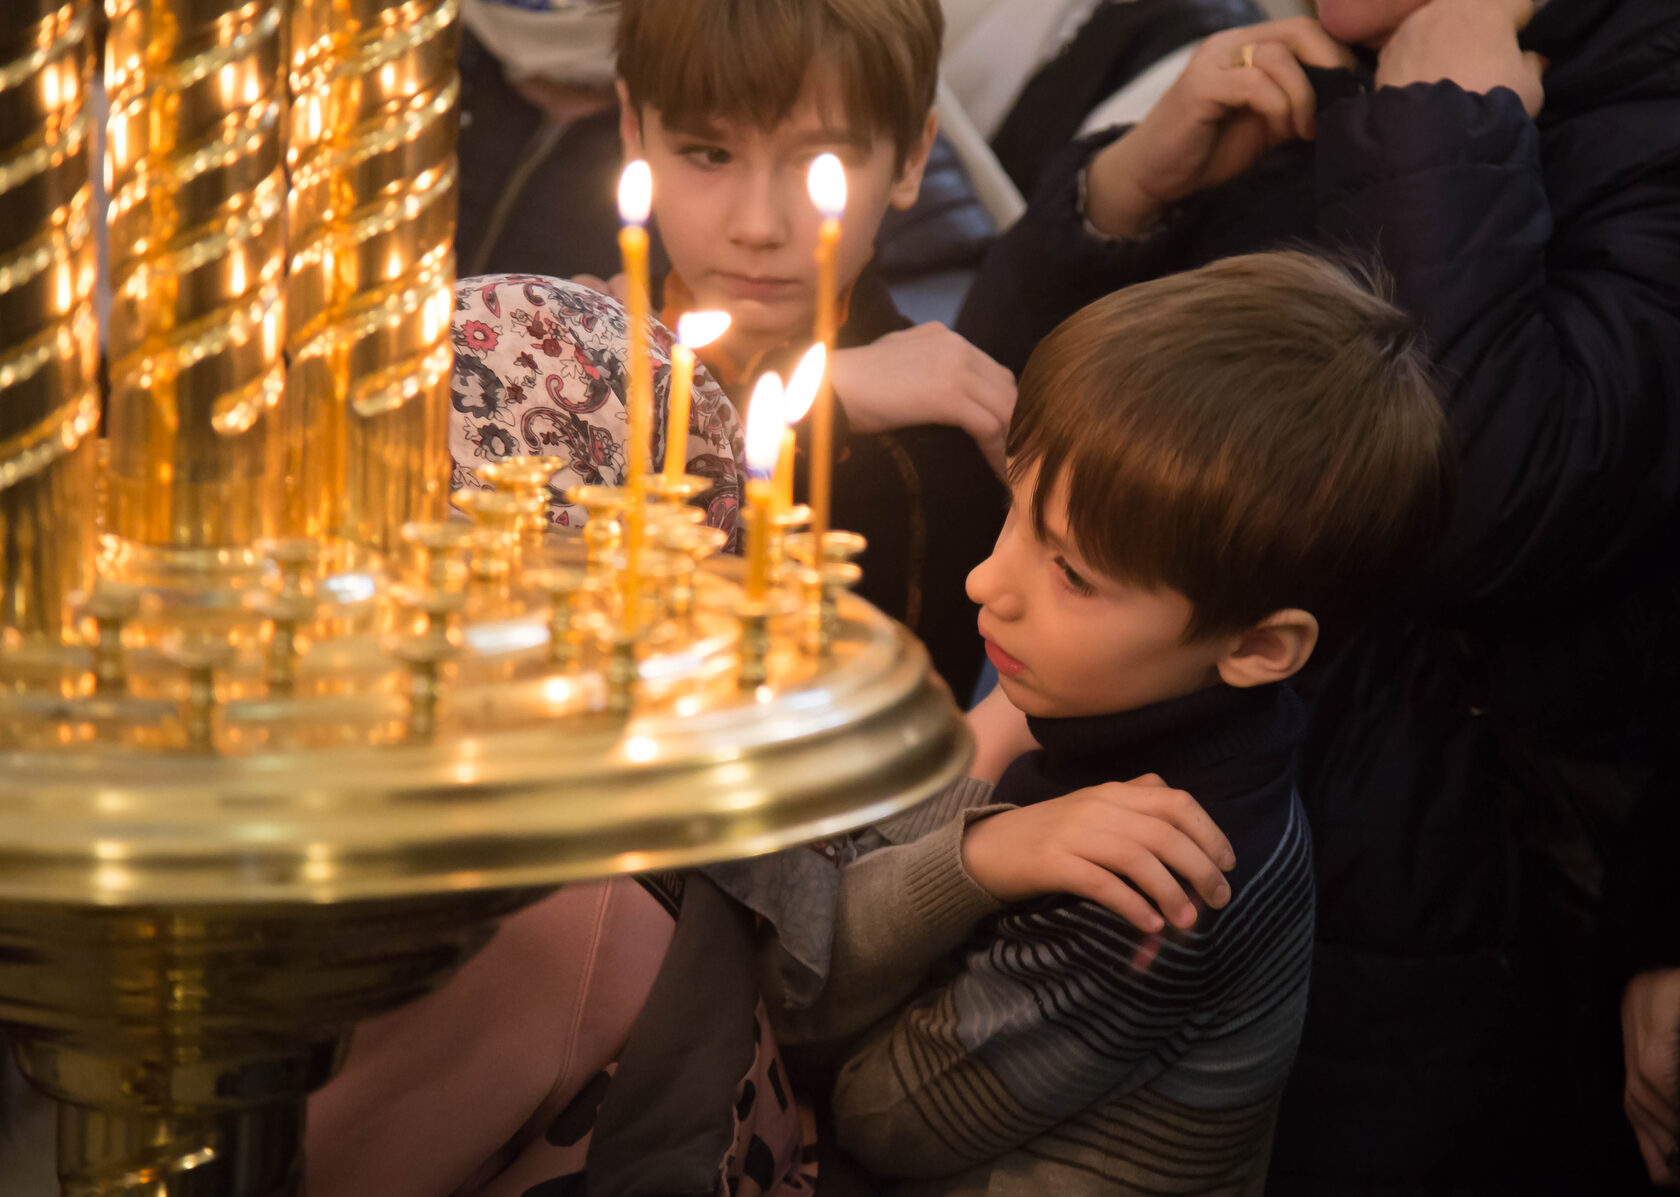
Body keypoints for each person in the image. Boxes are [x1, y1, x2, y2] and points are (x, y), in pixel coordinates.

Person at [954, 0, 1680, 1189]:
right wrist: (1124, 199)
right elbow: (1021, 441)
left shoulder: (1637, 102)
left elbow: (1472, 511)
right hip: (1162, 823)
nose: (994, 579)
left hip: (1447, 946)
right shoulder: (1325, 70)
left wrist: (1448, 134)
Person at [710, 250, 1456, 1194]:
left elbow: (871, 1103)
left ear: (1260, 646)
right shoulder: (1119, 712)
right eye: (1015, 509)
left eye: (1070, 572)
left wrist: (982, 853)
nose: (986, 581)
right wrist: (988, 746)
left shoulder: (1162, 886)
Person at [592, 0, 1017, 698]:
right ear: (634, 131)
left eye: (822, 162)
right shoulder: (569, 341)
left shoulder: (916, 463)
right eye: (711, 154)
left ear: (912, 158)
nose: (759, 225)